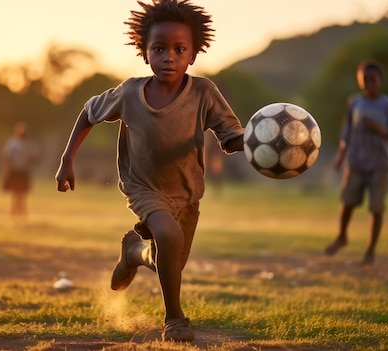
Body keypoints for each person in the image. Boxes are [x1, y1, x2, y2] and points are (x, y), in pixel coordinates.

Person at [55, 0, 245, 342]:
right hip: (142, 187)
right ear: (144, 52)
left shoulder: (204, 92)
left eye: (179, 49)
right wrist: (67, 159)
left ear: (193, 55)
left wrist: (259, 145)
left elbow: (231, 138)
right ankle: (174, 319)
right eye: (159, 48)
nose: (168, 56)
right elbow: (88, 112)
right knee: (168, 237)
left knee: (167, 263)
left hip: (186, 194)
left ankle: (133, 253)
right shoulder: (129, 93)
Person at [325, 60, 388, 266]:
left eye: (372, 79)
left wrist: (379, 128)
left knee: (376, 208)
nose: (367, 83)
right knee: (347, 202)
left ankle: (370, 250)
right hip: (356, 161)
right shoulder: (355, 103)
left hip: (380, 163)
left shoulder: (387, 104)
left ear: (380, 81)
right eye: (363, 80)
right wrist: (340, 155)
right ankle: (342, 236)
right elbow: (347, 132)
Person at [2, 122, 36, 218]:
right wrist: (9, 167)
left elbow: (33, 157)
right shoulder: (13, 143)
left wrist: (31, 159)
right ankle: (14, 209)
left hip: (23, 169)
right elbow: (6, 156)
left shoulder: (28, 144)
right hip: (15, 169)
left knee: (23, 191)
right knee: (15, 191)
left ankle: (22, 210)